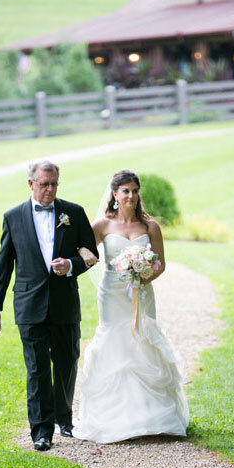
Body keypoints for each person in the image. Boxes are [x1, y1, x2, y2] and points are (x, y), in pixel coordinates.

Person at [71, 169, 189, 443]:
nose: (131, 196)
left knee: (142, 340)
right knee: (115, 342)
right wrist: (86, 253)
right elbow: (81, 248)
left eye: (135, 191)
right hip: (112, 293)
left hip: (142, 292)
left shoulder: (150, 227)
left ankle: (153, 416)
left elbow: (160, 263)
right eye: (125, 191)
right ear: (114, 194)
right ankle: (114, 417)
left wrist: (144, 274)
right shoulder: (102, 225)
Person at [0, 160, 98, 451]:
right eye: (44, 184)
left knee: (65, 364)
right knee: (36, 369)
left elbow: (91, 253)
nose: (50, 189)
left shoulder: (73, 213)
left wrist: (70, 265)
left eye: (54, 184)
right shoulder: (13, 217)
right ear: (30, 184)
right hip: (29, 304)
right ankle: (41, 431)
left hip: (64, 304)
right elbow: (3, 266)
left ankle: (65, 420)